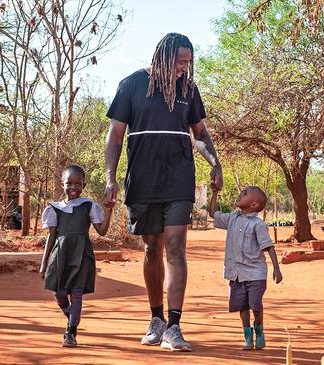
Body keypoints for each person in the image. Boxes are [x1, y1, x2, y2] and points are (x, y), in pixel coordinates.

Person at [103, 33, 223, 352]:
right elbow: (115, 136)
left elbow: (199, 134)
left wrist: (214, 161)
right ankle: (156, 320)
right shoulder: (131, 85)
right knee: (151, 248)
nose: (186, 67)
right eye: (181, 61)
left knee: (176, 247)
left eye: (189, 62)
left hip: (178, 178)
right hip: (142, 180)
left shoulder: (188, 90)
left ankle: (174, 325)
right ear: (164, 57)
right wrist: (110, 178)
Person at [40, 164, 113, 348]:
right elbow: (51, 237)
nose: (73, 187)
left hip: (82, 255)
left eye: (78, 184)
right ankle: (71, 316)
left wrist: (110, 210)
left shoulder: (89, 206)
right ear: (62, 184)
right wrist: (43, 263)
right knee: (60, 293)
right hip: (60, 256)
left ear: (84, 185)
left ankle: (71, 332)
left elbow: (102, 231)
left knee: (77, 294)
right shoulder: (54, 209)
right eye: (69, 183)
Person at [208, 185, 283, 350]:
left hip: (255, 273)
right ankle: (248, 338)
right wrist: (215, 193)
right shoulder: (232, 218)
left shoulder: (258, 224)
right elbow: (213, 214)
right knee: (242, 306)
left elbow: (268, 246)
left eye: (245, 193)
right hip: (236, 274)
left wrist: (276, 269)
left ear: (254, 205)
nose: (240, 194)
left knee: (255, 304)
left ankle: (259, 331)